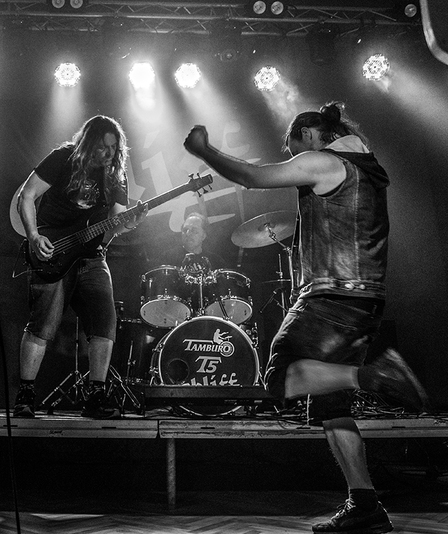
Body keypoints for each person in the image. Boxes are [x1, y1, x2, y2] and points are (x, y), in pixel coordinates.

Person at [183, 101, 428, 534]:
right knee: (330, 404)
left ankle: (372, 376)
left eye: (296, 149)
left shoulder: (327, 163)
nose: (297, 160)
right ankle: (365, 503)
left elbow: (253, 177)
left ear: (310, 136)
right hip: (364, 298)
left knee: (279, 377)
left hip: (331, 297)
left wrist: (204, 150)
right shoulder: (367, 168)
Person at [14, 115, 145, 419]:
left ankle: (96, 396)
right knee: (42, 326)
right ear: (88, 143)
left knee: (104, 323)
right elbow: (27, 195)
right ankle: (26, 395)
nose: (108, 153)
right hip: (54, 250)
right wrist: (34, 236)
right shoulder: (63, 158)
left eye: (114, 148)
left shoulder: (116, 175)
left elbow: (114, 225)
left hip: (91, 255)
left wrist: (131, 223)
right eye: (103, 147)